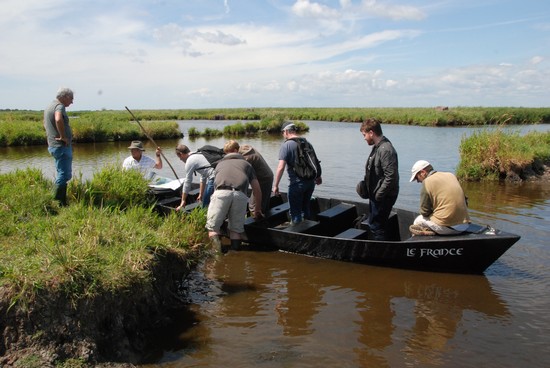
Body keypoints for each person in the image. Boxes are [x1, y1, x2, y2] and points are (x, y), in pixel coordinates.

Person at [206, 141, 263, 253]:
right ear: (237, 150)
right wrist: (257, 210)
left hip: (221, 193)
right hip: (240, 195)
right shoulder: (247, 165)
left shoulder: (219, 164)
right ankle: (235, 254)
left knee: (212, 228)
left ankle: (217, 256)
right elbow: (257, 190)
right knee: (236, 230)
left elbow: (214, 188)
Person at [273, 122, 322, 224]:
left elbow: (281, 167)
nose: (283, 135)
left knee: (295, 213)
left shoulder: (286, 146)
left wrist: (276, 185)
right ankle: (308, 231)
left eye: (282, 132)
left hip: (296, 184)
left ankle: (297, 235)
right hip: (310, 183)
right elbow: (315, 161)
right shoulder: (307, 142)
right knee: (305, 209)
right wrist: (318, 176)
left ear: (286, 131)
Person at [359, 118, 399, 240]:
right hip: (377, 196)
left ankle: (380, 252)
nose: (364, 138)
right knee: (374, 224)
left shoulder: (386, 149)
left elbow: (391, 176)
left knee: (377, 226)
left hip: (383, 197)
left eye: (364, 135)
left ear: (371, 132)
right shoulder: (377, 147)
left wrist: (378, 195)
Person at [410, 160, 470, 235]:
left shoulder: (427, 182)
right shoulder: (450, 175)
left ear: (423, 172)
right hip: (464, 225)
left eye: (417, 177)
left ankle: (418, 244)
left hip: (449, 228)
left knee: (418, 221)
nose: (418, 181)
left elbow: (424, 212)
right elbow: (465, 201)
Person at [223, 140, 273, 214]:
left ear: (235, 150)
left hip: (263, 179)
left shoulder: (246, 158)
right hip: (266, 175)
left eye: (229, 154)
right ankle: (263, 215)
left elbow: (242, 177)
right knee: (263, 201)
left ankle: (259, 220)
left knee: (254, 205)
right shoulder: (245, 148)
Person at [44, 87, 74, 206]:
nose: (72, 102)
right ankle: (59, 202)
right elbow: (58, 119)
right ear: (65, 96)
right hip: (61, 146)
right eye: (71, 99)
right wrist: (63, 137)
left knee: (61, 172)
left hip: (53, 145)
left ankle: (58, 200)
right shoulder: (59, 106)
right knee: (64, 174)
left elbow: (44, 123)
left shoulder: (49, 106)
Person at [174, 144, 216, 210]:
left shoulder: (190, 161)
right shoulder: (199, 154)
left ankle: (205, 216)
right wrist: (201, 194)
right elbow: (203, 175)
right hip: (221, 174)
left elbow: (187, 182)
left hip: (214, 177)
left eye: (179, 157)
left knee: (205, 203)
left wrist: (183, 201)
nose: (180, 159)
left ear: (181, 154)